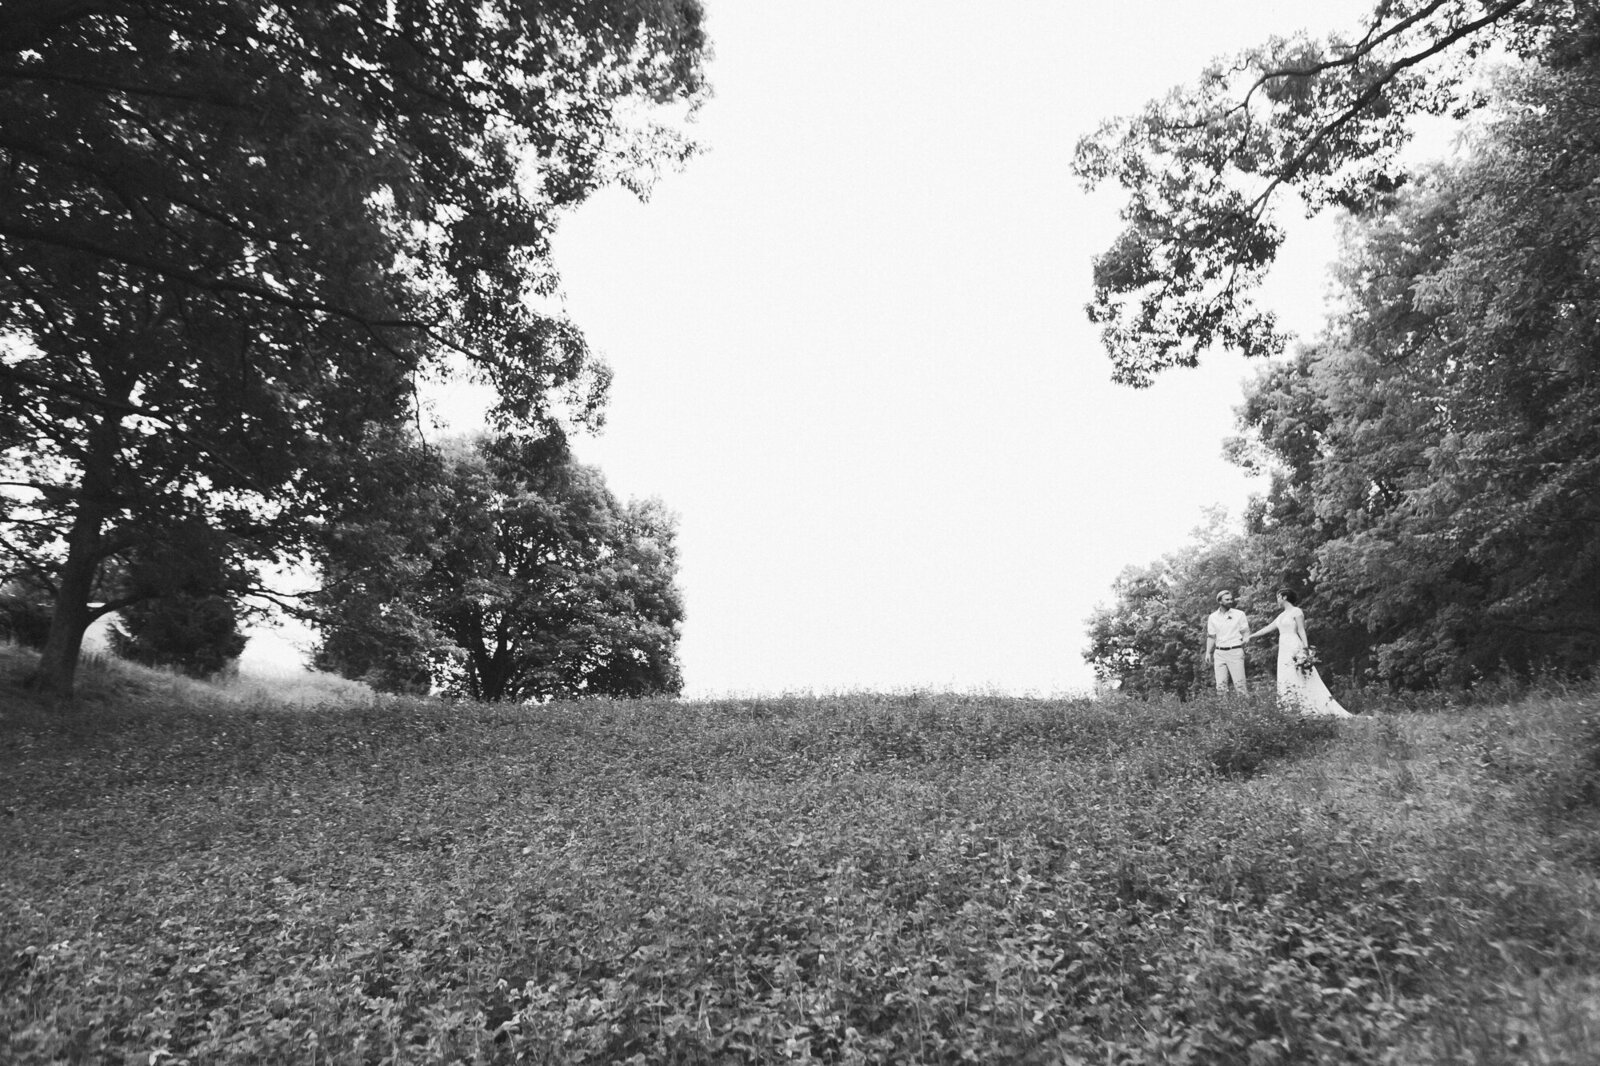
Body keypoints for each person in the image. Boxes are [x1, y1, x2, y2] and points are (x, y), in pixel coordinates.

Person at [1248, 589, 1352, 717]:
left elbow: (1301, 630)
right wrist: (1251, 636)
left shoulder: (1297, 612)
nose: (1277, 600)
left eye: (1278, 597)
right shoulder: (1281, 615)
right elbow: (1268, 628)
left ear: (1284, 597)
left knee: (1299, 673)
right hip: (1284, 647)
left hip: (1293, 644)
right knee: (1286, 673)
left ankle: (1307, 705)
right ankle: (1289, 706)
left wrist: (1305, 650)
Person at [1203, 589, 1249, 694]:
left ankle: (1246, 709)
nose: (1230, 601)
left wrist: (1246, 639)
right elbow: (1211, 636)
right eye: (1227, 599)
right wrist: (1208, 652)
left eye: (1231, 599)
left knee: (1240, 685)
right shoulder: (1212, 617)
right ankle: (1223, 709)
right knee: (1220, 687)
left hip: (1235, 651)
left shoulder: (1239, 614)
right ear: (1220, 601)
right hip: (1219, 653)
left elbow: (1245, 631)